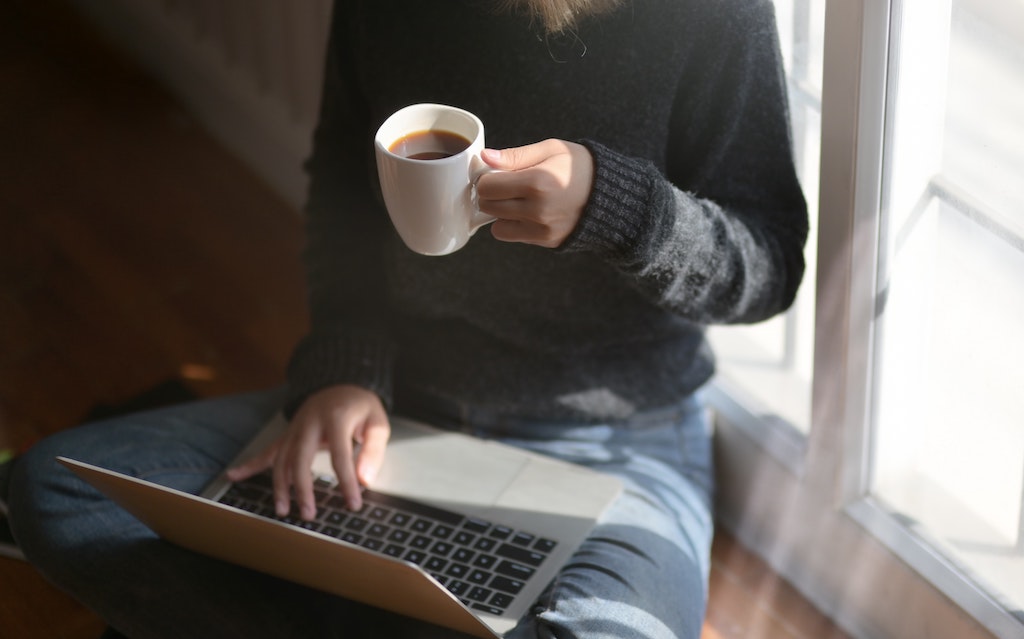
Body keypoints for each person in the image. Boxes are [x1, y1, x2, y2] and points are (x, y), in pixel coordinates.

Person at [5, 0, 808, 637]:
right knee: (56, 491)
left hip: (616, 442)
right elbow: (347, 192)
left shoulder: (714, 13)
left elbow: (768, 267)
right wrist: (347, 365)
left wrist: (622, 207)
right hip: (397, 411)